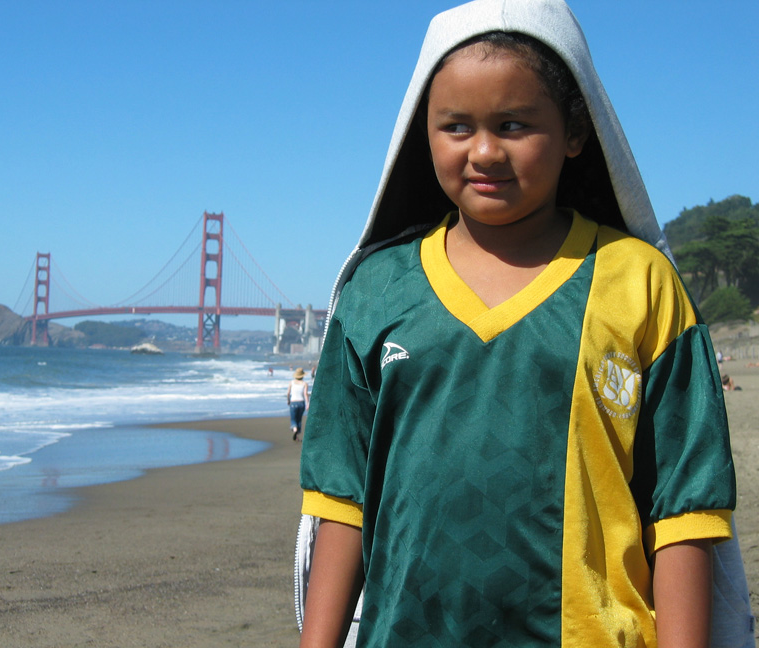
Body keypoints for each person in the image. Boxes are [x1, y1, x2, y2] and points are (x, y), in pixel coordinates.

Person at [296, 1, 747, 647]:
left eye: (513, 124)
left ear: (575, 132)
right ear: (421, 136)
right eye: (455, 126)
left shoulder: (640, 283)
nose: (484, 151)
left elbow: (685, 508)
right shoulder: (374, 292)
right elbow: (340, 502)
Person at [288, 367, 310, 441]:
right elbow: (305, 394)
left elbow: (288, 393)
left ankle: (295, 429)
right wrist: (308, 403)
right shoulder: (305, 384)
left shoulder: (291, 382)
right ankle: (297, 436)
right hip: (301, 403)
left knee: (293, 418)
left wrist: (288, 400)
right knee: (299, 419)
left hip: (293, 402)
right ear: (302, 375)